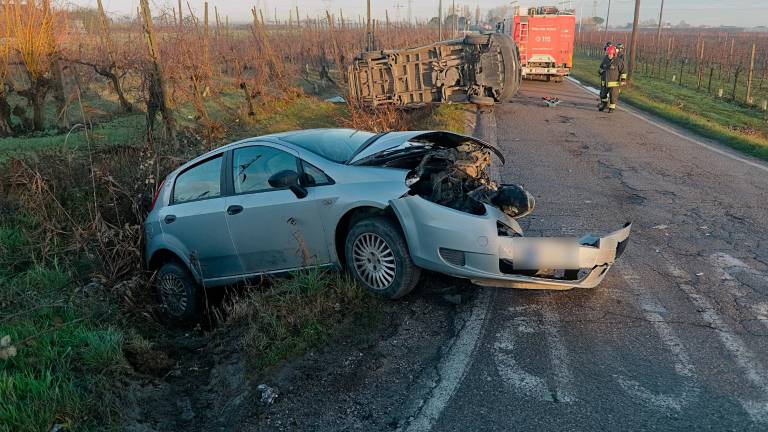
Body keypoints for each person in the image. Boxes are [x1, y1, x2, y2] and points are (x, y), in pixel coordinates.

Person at [598, 45, 625, 113]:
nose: (609, 55)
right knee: (602, 94)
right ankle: (604, 104)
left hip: (614, 83)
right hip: (605, 81)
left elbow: (623, 71)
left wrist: (623, 80)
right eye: (608, 54)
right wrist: (600, 71)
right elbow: (601, 67)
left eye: (610, 54)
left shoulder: (618, 61)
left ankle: (612, 108)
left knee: (613, 96)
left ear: (614, 54)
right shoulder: (605, 59)